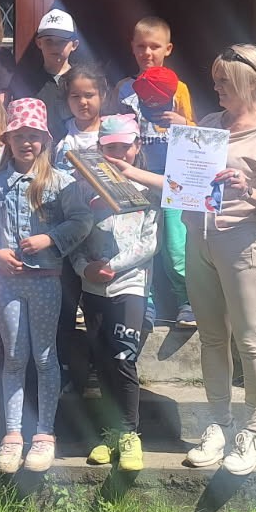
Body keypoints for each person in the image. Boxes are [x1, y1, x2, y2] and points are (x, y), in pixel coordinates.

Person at [105, 45, 256, 478]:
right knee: (211, 338)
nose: (216, 87)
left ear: (249, 83)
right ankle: (219, 424)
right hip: (199, 241)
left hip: (245, 243)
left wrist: (248, 190)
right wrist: (129, 171)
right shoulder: (207, 126)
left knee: (250, 340)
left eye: (224, 81)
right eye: (216, 79)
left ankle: (253, 432)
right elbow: (178, 186)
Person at [0, 98, 91, 474]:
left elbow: (81, 221)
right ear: (7, 140)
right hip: (6, 284)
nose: (26, 142)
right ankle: (12, 434)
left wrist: (49, 239)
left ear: (45, 140)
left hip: (45, 282)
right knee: (13, 356)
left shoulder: (61, 183)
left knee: (44, 356)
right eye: (19, 135)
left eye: (33, 135)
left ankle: (44, 432)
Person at [71, 114, 158, 472]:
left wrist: (114, 265)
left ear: (137, 146)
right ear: (98, 149)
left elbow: (149, 242)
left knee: (123, 357)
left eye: (125, 146)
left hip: (129, 285)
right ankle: (107, 433)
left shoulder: (147, 191)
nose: (118, 153)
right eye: (110, 148)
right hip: (92, 287)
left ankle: (129, 434)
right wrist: (83, 268)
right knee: (102, 359)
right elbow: (75, 237)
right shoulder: (84, 191)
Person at [115, 17, 198, 329]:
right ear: (132, 48)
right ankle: (143, 303)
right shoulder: (124, 89)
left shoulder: (180, 89)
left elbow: (196, 137)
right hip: (136, 176)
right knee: (140, 242)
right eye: (141, 46)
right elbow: (113, 131)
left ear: (168, 49)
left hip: (174, 178)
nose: (147, 53)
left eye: (154, 46)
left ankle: (188, 301)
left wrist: (184, 124)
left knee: (177, 244)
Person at [50, 63, 111, 398]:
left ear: (102, 95)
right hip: (68, 235)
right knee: (65, 305)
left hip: (104, 235)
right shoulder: (61, 137)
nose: (83, 102)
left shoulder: (112, 131)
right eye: (76, 96)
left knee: (97, 308)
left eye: (90, 95)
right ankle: (68, 370)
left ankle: (99, 372)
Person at [11, 8, 80, 140]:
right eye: (49, 41)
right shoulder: (27, 83)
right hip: (40, 150)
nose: (54, 47)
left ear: (74, 45)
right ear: (39, 43)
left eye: (61, 41)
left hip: (76, 150)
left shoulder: (83, 82)